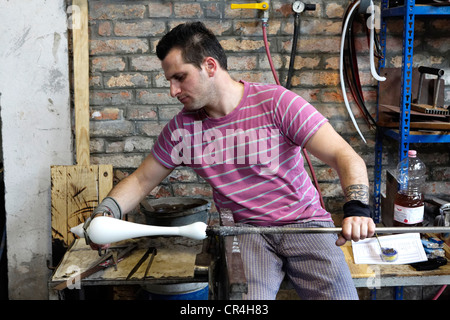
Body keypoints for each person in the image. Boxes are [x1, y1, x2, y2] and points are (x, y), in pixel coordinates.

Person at [85, 21, 375, 300]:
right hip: (244, 231)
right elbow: (141, 180)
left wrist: (357, 208)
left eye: (180, 77)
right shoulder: (182, 129)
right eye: (169, 81)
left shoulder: (276, 103)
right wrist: (106, 212)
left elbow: (344, 155)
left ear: (210, 66)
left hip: (305, 224)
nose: (173, 91)